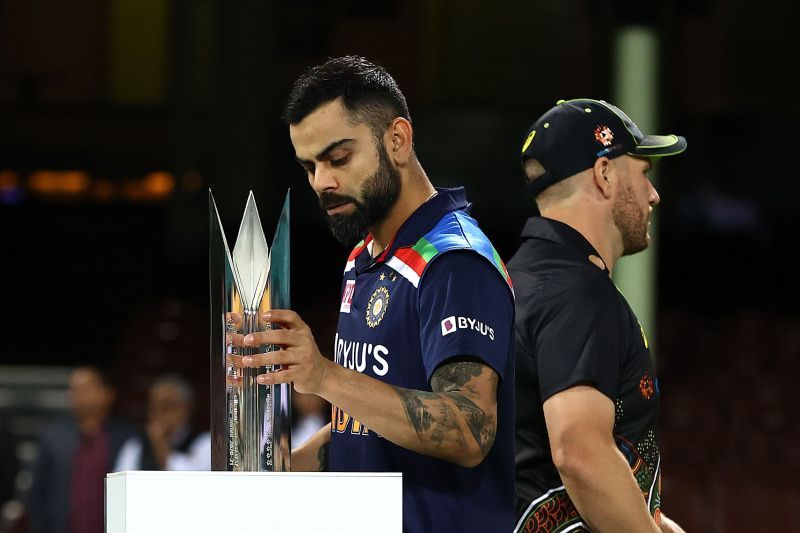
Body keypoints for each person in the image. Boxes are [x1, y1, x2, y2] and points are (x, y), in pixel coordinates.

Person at [236, 56, 516, 532]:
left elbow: (470, 428)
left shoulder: (454, 262)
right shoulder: (365, 257)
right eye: (309, 166)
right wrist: (281, 467)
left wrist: (323, 375)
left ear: (398, 140)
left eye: (338, 157)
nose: (322, 182)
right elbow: (364, 426)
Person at [509, 98, 687, 533]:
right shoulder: (579, 292)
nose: (653, 194)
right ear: (604, 174)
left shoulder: (516, 278)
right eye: (643, 174)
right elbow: (579, 452)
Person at [27, 365, 135, 533]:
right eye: (74, 389)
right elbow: (37, 494)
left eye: (86, 388)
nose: (77, 395)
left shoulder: (127, 437)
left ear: (107, 393)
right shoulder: (53, 436)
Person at [115, 374, 211, 471]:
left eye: (166, 405)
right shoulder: (136, 445)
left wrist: (160, 444)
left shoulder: (205, 442)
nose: (159, 412)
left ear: (186, 408)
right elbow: (121, 481)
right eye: (154, 406)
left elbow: (194, 480)